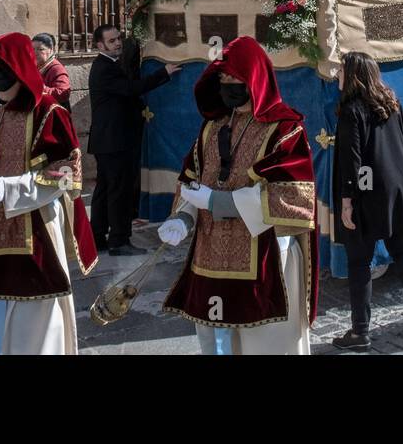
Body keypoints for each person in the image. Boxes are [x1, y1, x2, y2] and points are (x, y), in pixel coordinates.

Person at [158, 36, 318, 355]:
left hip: (268, 256)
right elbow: (193, 180)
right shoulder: (212, 128)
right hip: (211, 257)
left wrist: (219, 203)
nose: (227, 85)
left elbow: (292, 198)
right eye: (223, 79)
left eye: (234, 79)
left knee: (266, 345)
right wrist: (183, 217)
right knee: (216, 342)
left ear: (254, 79)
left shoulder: (285, 129)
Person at [0, 32, 98, 355]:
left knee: (36, 332)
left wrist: (9, 188)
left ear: (18, 67)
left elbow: (66, 172)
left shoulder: (46, 111)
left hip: (35, 228)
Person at [331, 52, 403, 351]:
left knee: (359, 262)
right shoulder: (391, 102)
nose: (337, 74)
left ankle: (360, 332)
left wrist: (348, 202)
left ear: (354, 73)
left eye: (341, 70)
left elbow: (353, 161)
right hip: (398, 189)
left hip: (368, 194)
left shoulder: (351, 110)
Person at [88, 24, 180, 255]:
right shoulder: (104, 68)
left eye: (119, 39)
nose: (118, 43)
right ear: (100, 45)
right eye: (112, 41)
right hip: (114, 141)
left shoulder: (108, 65)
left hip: (108, 140)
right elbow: (131, 89)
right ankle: (119, 241)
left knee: (104, 190)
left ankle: (97, 237)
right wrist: (164, 73)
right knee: (118, 192)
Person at [31, 33, 71, 109]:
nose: (35, 53)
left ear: (51, 50)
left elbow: (63, 93)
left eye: (41, 49)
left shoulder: (56, 68)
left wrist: (40, 87)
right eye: (33, 49)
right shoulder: (36, 66)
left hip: (54, 113)